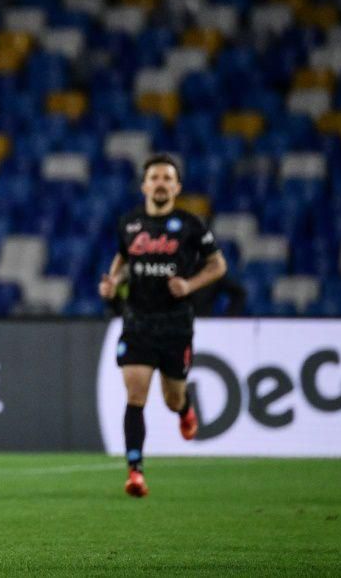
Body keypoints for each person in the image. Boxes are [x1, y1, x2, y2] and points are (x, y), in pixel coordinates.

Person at [98, 153, 227, 497]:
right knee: (135, 394)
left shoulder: (191, 224)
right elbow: (123, 258)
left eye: (167, 178)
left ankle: (184, 410)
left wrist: (190, 285)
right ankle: (135, 471)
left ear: (177, 187)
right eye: (154, 177)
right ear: (144, 185)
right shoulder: (129, 223)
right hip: (138, 320)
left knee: (172, 398)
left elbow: (218, 265)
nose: (160, 183)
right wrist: (113, 281)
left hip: (175, 324)